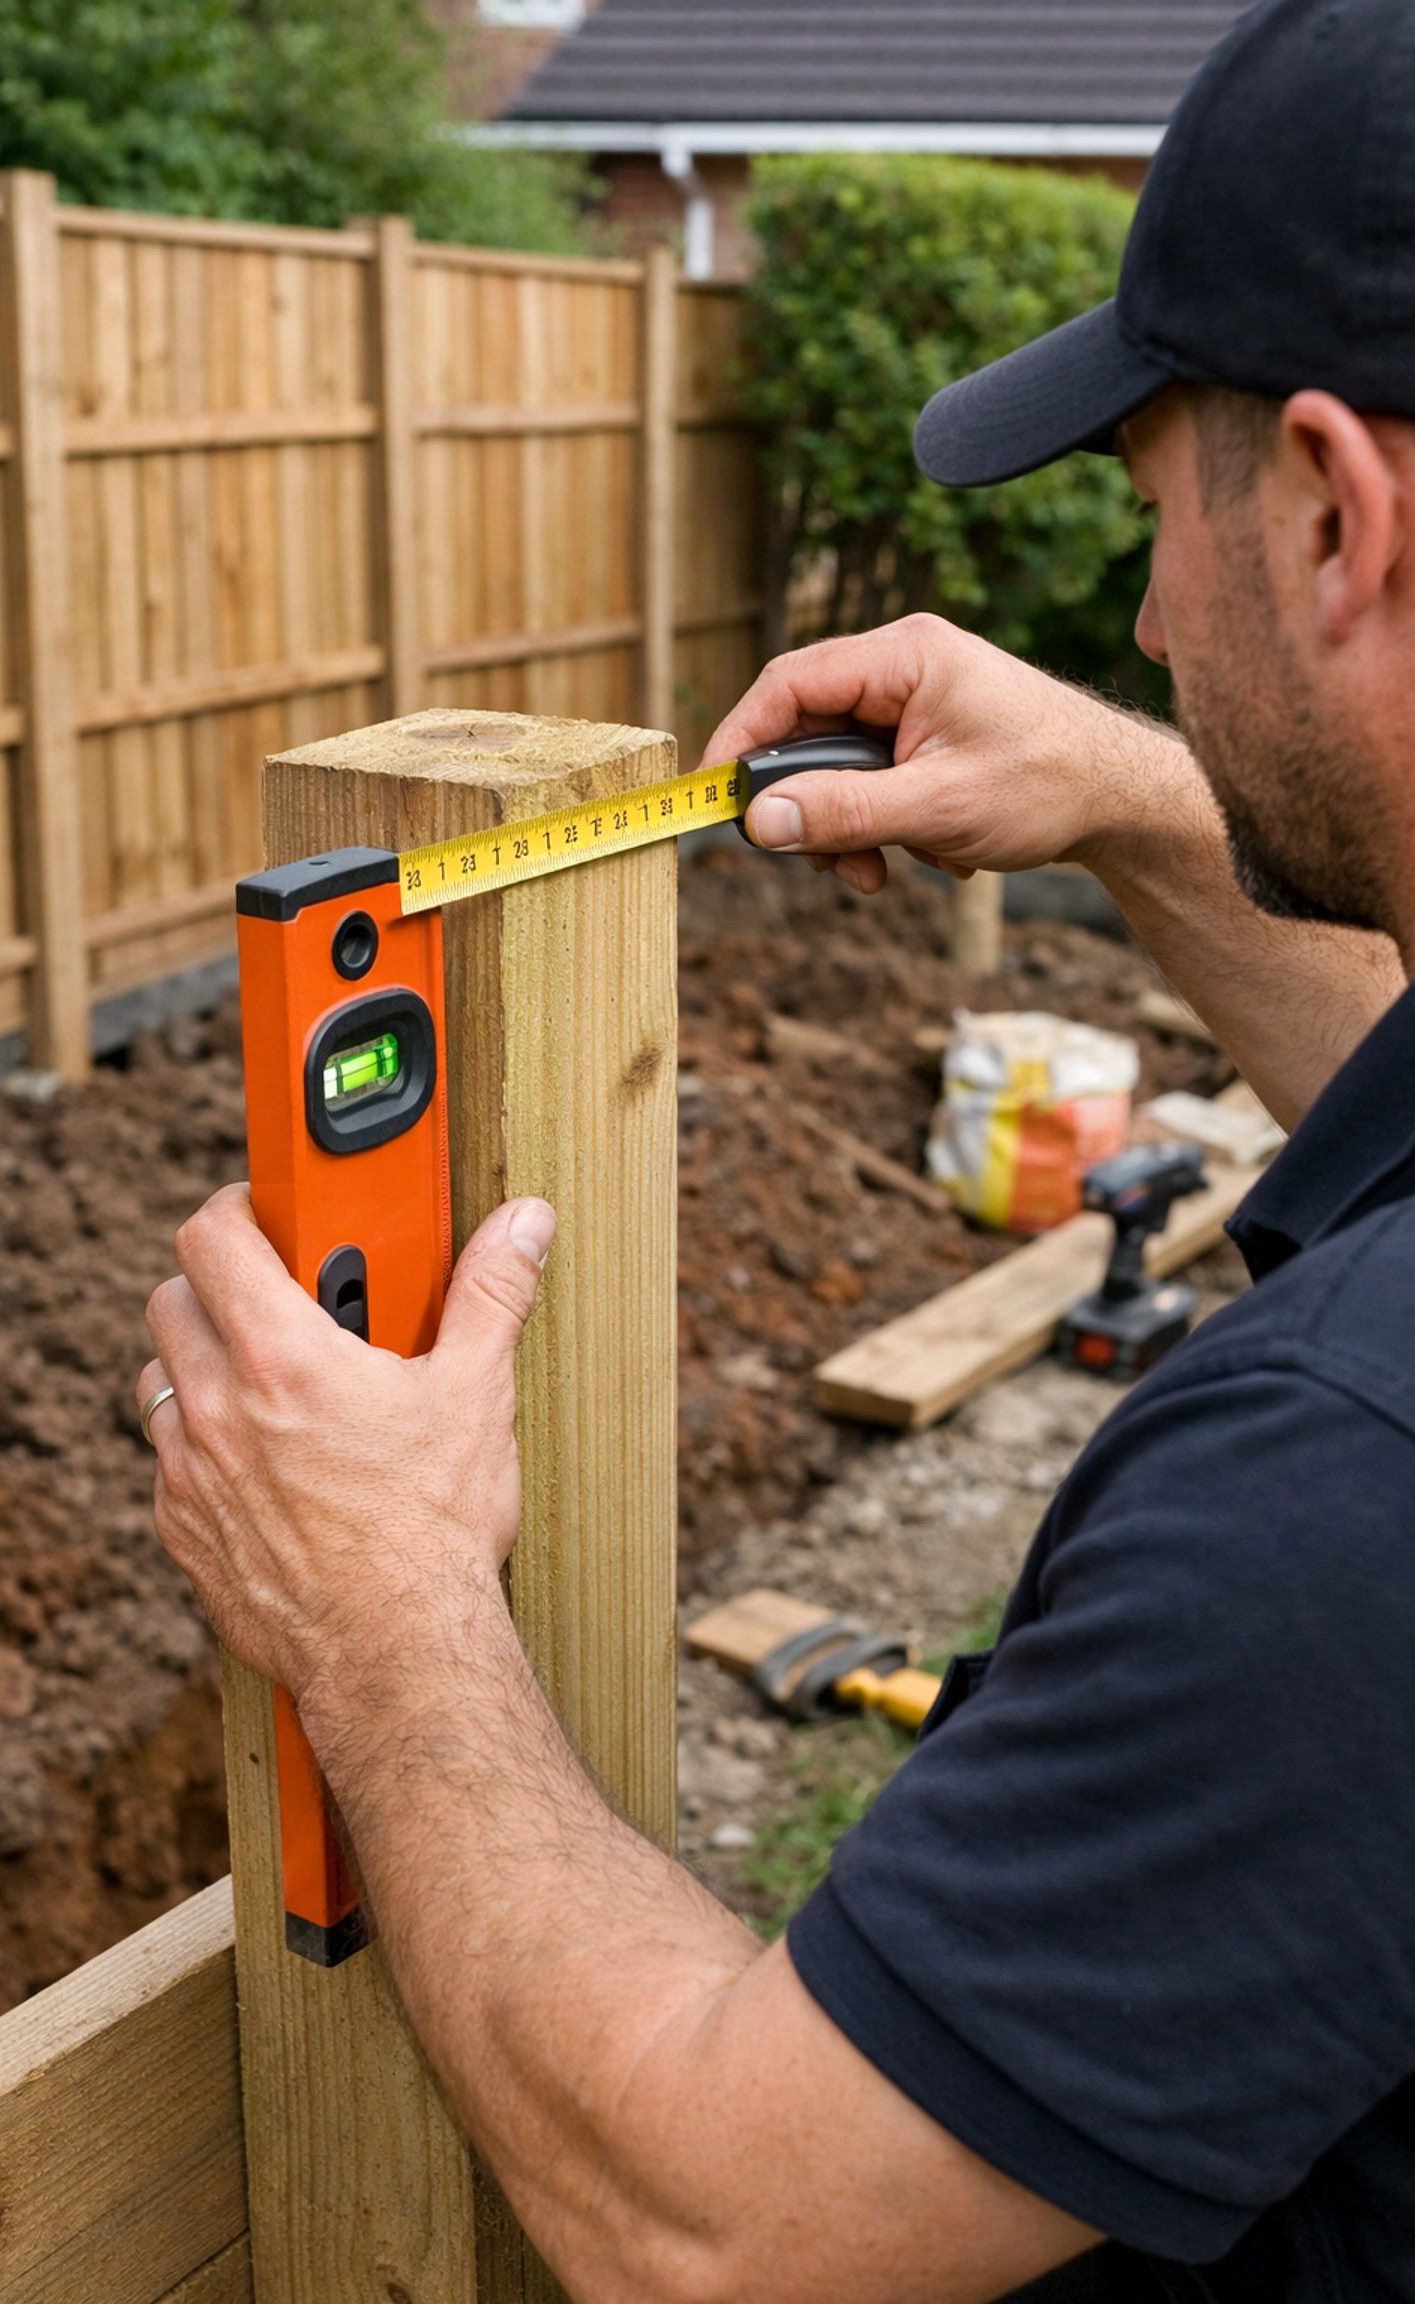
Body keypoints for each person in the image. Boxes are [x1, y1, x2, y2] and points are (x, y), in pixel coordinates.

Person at [136, 2, 1415, 2295]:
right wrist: (1141, 800)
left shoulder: (1349, 1476)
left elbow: (721, 2224)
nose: (1137, 621)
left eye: (1159, 521)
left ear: (1338, 506)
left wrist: (383, 1605)